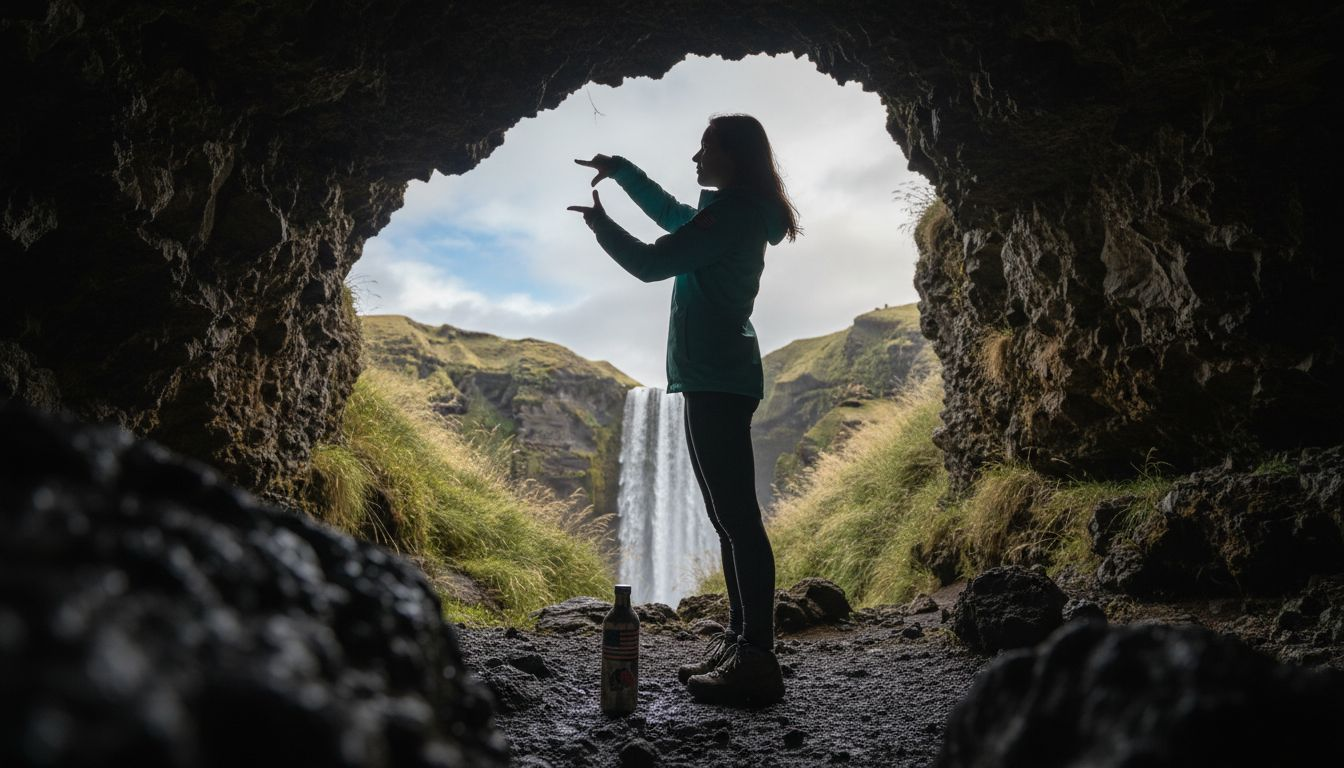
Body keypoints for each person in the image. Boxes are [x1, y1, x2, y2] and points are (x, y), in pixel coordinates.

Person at [568, 114, 800, 707]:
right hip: (715, 376)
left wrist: (600, 225)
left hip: (716, 377)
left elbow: (650, 263)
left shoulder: (733, 214)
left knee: (738, 519)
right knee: (728, 518)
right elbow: (674, 214)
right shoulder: (731, 213)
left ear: (734, 156)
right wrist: (622, 173)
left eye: (705, 149)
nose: (696, 158)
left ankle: (757, 657)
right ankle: (741, 640)